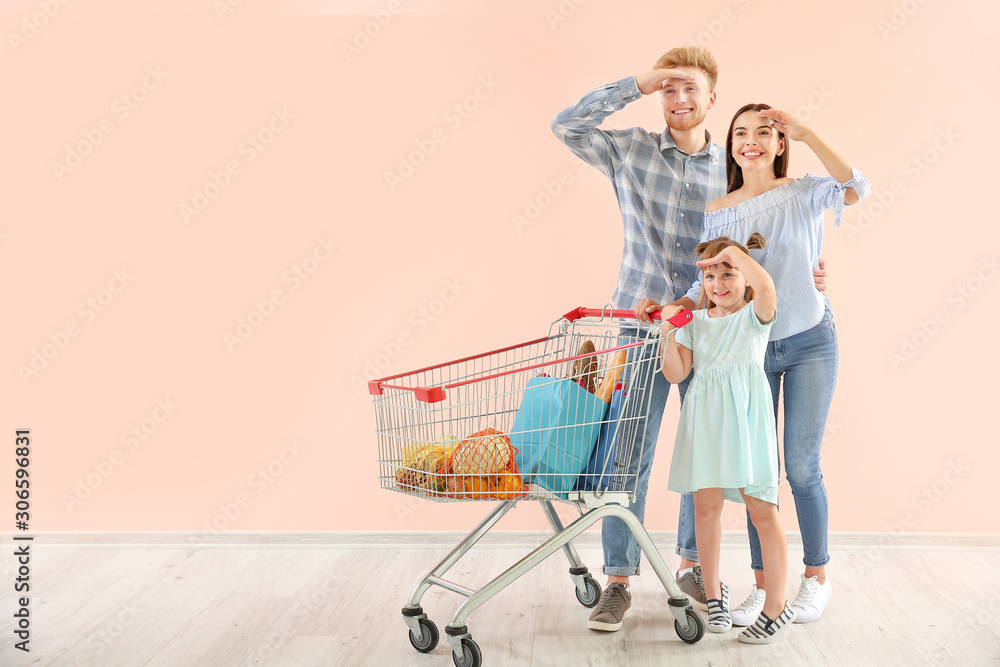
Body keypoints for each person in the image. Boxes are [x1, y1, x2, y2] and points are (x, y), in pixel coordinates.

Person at [552, 47, 829, 632]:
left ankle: (692, 569)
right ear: (660, 96)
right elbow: (567, 125)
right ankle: (619, 581)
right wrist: (635, 82)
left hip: (717, 330)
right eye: (669, 90)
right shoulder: (629, 151)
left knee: (704, 455)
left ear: (711, 99)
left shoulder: (728, 172)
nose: (679, 100)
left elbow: (763, 240)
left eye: (690, 89)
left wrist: (811, 271)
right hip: (644, 324)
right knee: (628, 455)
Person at [651, 102, 869, 627]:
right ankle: (765, 586)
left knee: (800, 465)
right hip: (749, 350)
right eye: (740, 132)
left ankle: (815, 579)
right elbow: (709, 272)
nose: (751, 141)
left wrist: (808, 132)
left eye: (765, 133)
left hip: (808, 338)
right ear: (731, 145)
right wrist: (672, 307)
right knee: (756, 475)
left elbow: (857, 185)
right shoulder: (719, 207)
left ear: (779, 143)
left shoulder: (802, 191)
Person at [661, 233, 796, 643]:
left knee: (761, 509)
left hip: (746, 425)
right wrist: (669, 328)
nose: (718, 283)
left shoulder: (755, 315)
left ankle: (776, 605)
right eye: (710, 276)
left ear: (745, 277)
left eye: (728, 272)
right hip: (706, 422)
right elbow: (675, 373)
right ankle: (715, 593)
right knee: (705, 508)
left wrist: (736, 252)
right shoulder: (696, 324)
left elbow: (768, 286)